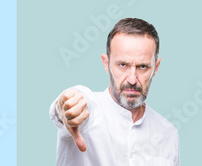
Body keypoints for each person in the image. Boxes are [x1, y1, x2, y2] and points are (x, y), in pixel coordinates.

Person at [50, 18, 179, 165]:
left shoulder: (169, 133)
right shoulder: (88, 111)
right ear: (106, 63)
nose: (132, 79)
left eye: (142, 66)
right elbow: (70, 105)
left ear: (156, 67)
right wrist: (65, 108)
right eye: (123, 65)